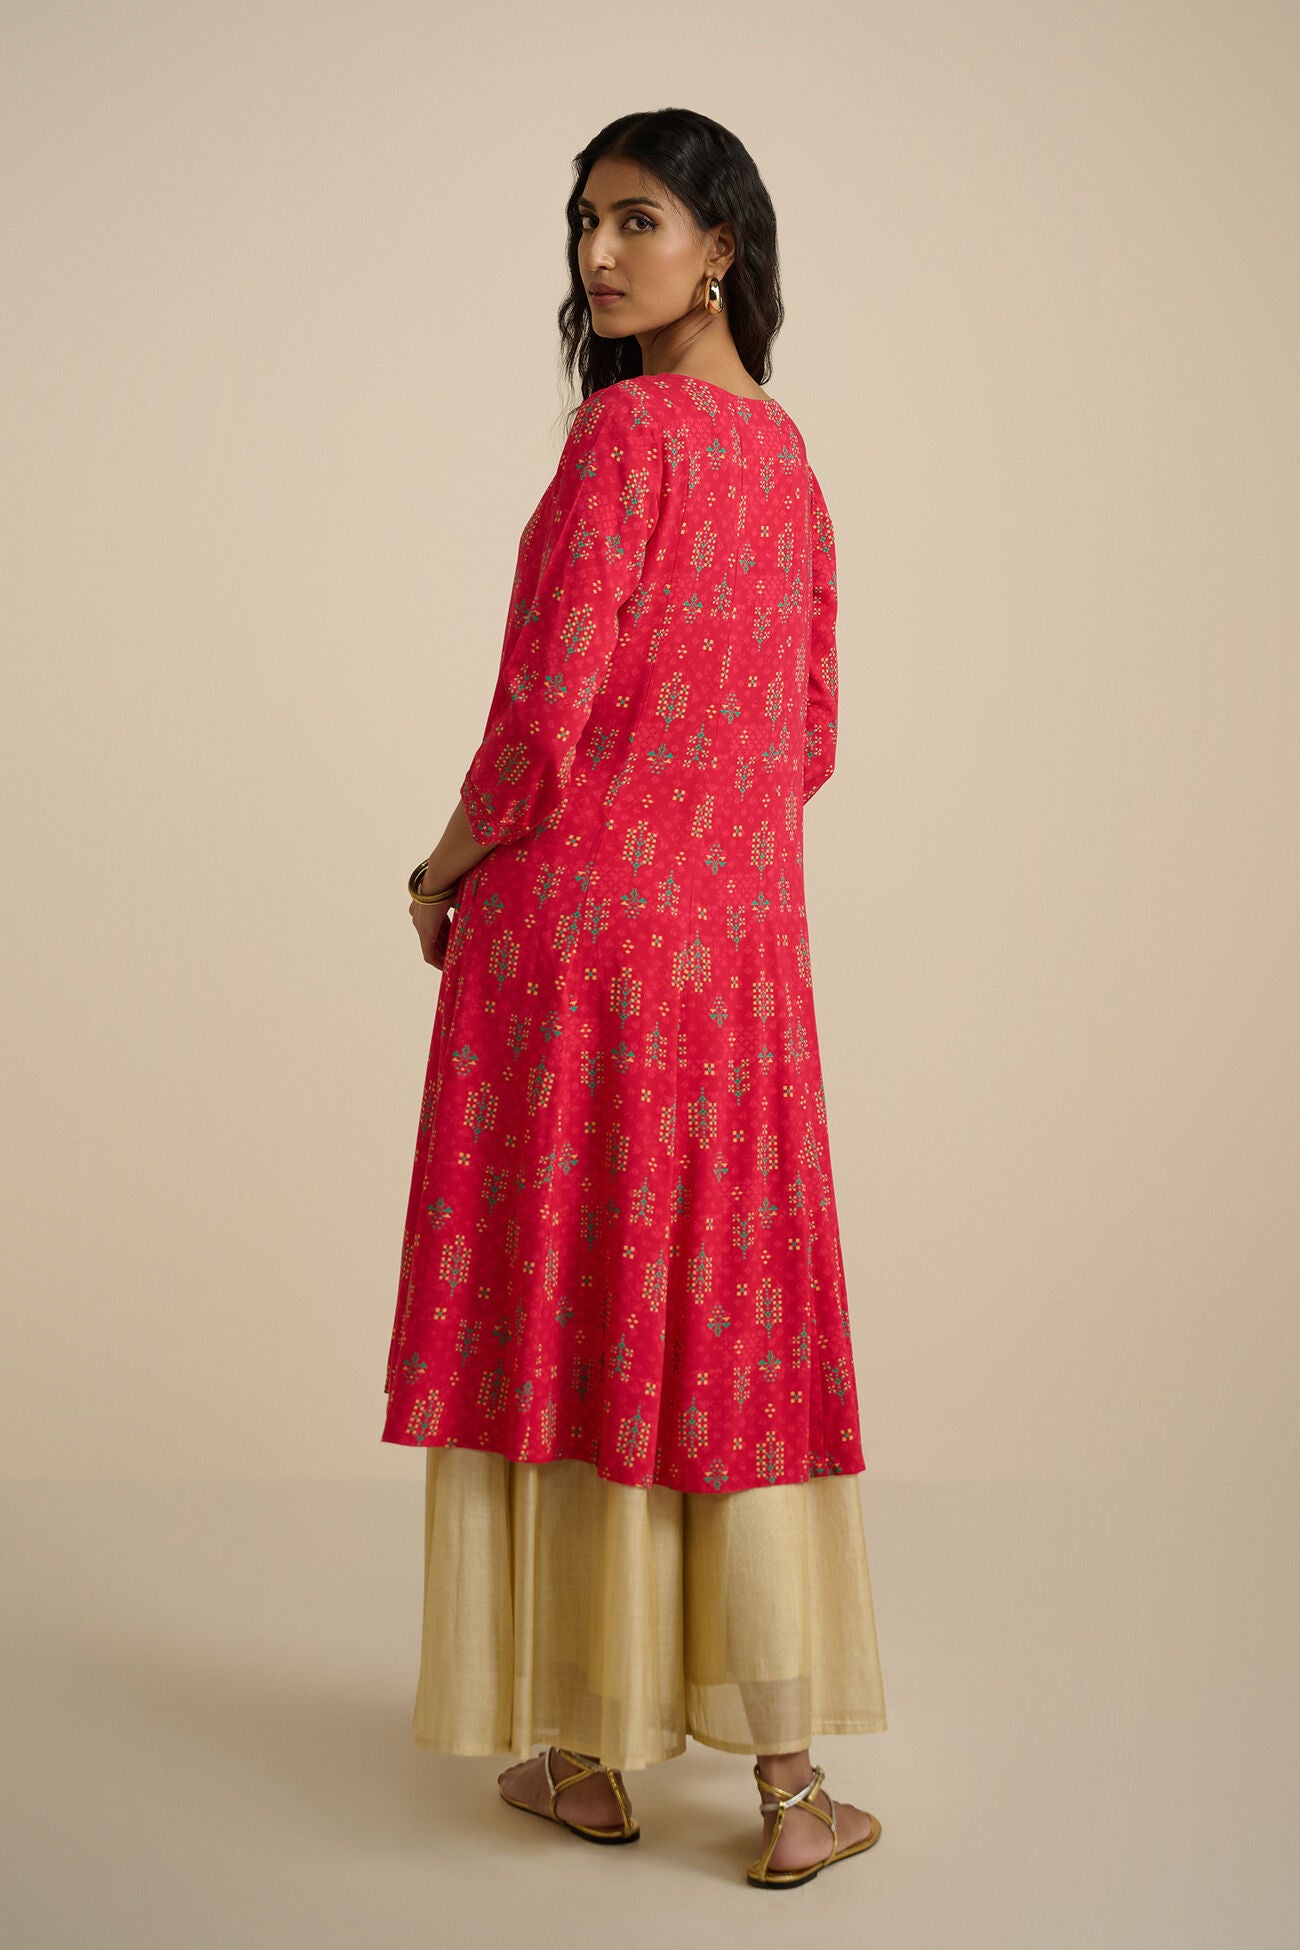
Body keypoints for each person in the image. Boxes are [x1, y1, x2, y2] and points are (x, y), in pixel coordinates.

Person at [382, 107, 887, 1890]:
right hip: (735, 957)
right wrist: (711, 844)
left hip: (578, 952)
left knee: (588, 1299)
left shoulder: (622, 447)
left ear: (723, 243)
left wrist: (449, 869)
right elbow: (812, 735)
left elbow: (540, 717)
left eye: (639, 220)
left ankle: (585, 1747)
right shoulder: (791, 462)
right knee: (718, 1320)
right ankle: (786, 1785)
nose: (599, 257)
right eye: (586, 223)